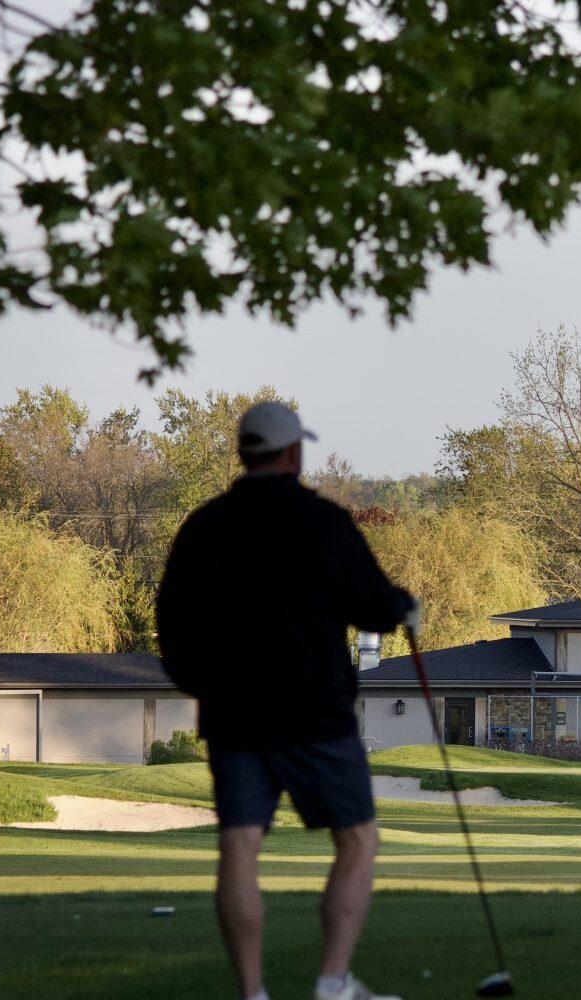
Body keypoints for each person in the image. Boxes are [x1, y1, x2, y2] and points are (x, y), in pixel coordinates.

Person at [157, 400, 421, 1000]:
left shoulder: (205, 527)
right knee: (356, 839)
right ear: (293, 452)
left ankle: (252, 993)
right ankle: (332, 982)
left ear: (244, 451)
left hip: (234, 717)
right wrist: (403, 605)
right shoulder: (322, 521)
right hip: (316, 714)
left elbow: (173, 630)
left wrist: (208, 688)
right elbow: (372, 606)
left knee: (240, 846)